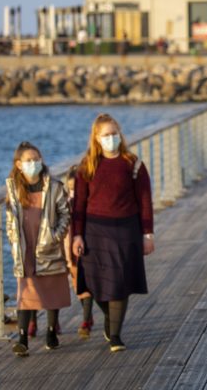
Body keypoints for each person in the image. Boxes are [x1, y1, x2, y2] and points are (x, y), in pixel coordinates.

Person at [71, 114, 155, 352]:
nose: (111, 138)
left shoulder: (133, 164)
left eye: (114, 133)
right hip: (94, 230)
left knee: (120, 282)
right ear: (97, 138)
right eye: (106, 135)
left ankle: (115, 335)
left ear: (121, 135)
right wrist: (77, 234)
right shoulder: (87, 166)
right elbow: (78, 204)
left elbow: (145, 201)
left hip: (126, 229)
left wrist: (147, 234)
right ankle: (110, 318)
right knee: (93, 280)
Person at [5, 141, 71, 356]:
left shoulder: (54, 187)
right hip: (25, 247)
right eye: (29, 160)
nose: (34, 163)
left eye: (37, 159)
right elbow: (9, 219)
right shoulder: (14, 190)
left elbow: (65, 214)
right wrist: (14, 239)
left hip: (48, 244)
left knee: (52, 287)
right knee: (25, 292)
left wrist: (55, 235)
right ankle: (22, 339)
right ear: (18, 164)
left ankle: (52, 331)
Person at [62, 165, 95, 339]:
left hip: (86, 246)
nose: (74, 192)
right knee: (77, 285)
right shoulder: (64, 203)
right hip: (69, 249)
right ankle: (88, 317)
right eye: (71, 188)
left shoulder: (88, 203)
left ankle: (86, 320)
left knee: (86, 284)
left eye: (77, 188)